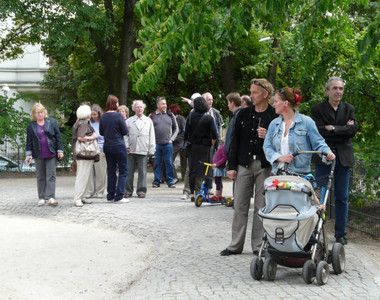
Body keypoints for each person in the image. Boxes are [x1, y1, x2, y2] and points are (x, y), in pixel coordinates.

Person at [221, 78, 277, 256]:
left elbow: (281, 142)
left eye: (255, 92)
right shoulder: (243, 114)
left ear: (265, 94)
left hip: (264, 165)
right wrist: (231, 166)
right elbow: (233, 141)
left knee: (262, 207)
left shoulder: (275, 116)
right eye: (251, 92)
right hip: (243, 164)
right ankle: (235, 245)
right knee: (239, 205)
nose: (251, 95)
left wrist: (268, 135)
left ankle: (258, 246)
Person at [311, 77, 358, 245]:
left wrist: (334, 128)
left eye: (341, 88)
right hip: (323, 158)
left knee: (342, 197)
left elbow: (353, 130)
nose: (338, 91)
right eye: (335, 88)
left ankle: (340, 234)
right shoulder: (317, 109)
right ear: (327, 91)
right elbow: (319, 132)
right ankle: (316, 230)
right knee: (320, 197)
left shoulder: (349, 108)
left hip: (343, 159)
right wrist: (343, 129)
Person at [263, 87, 335, 176]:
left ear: (285, 103)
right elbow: (267, 146)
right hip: (277, 175)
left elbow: (319, 143)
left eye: (276, 102)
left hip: (299, 176)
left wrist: (327, 154)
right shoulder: (274, 124)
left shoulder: (307, 122)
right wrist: (279, 158)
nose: (273, 104)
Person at [25, 103, 64, 206]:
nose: (40, 114)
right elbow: (29, 141)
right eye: (38, 113)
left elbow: (58, 137)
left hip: (51, 152)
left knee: (51, 175)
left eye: (42, 112)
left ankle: (51, 197)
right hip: (38, 154)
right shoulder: (31, 125)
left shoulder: (51, 122)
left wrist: (60, 150)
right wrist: (28, 155)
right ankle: (42, 197)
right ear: (34, 114)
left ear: (44, 112)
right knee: (40, 176)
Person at [184, 96, 217, 201]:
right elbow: (215, 135)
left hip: (193, 147)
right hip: (205, 147)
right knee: (206, 169)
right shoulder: (209, 118)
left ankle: (193, 194)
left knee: (192, 170)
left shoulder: (190, 117)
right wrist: (212, 144)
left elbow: (186, 133)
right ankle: (204, 191)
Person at [99, 95, 129, 203]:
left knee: (111, 171)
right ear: (115, 104)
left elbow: (101, 132)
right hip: (119, 145)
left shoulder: (103, 117)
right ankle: (119, 195)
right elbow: (125, 131)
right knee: (123, 171)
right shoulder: (118, 116)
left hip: (107, 146)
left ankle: (110, 195)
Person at [124, 100, 155, 198]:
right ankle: (128, 190)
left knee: (143, 172)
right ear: (133, 109)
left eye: (141, 107)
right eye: (137, 107)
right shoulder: (128, 121)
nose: (139, 109)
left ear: (144, 108)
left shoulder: (148, 121)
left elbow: (152, 136)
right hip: (131, 149)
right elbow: (125, 135)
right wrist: (126, 146)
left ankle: (141, 190)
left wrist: (151, 149)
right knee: (129, 171)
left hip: (143, 148)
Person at [72, 105, 99, 207]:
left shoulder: (79, 123)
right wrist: (92, 137)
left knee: (85, 176)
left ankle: (82, 196)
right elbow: (80, 137)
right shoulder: (83, 124)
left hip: (83, 154)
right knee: (82, 176)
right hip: (84, 153)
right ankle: (78, 198)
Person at [150, 96, 179, 188]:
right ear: (158, 105)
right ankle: (156, 181)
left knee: (169, 163)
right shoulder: (152, 116)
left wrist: (171, 139)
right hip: (156, 144)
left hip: (168, 144)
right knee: (156, 163)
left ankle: (170, 181)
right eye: (163, 104)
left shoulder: (170, 115)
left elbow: (176, 128)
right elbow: (148, 129)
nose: (165, 106)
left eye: (165, 104)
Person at [161, 104, 186, 183]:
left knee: (170, 158)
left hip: (178, 143)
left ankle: (174, 177)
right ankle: (164, 177)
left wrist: (174, 138)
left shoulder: (181, 119)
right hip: (171, 142)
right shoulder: (170, 119)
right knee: (165, 158)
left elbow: (184, 132)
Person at [86, 104, 107, 198]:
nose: (93, 116)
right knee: (90, 171)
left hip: (101, 149)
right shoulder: (89, 123)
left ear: (99, 114)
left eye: (95, 114)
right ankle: (90, 191)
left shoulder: (104, 123)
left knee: (100, 172)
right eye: (92, 115)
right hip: (90, 149)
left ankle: (100, 191)